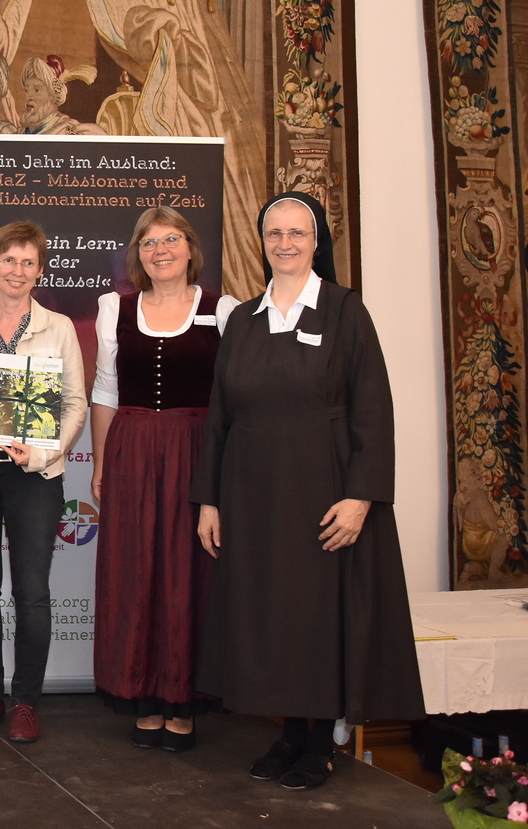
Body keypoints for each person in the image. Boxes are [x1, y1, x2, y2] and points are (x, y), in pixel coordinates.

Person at [193, 191, 424, 790]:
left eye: (297, 232)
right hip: (254, 497)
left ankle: (319, 743)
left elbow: (373, 410)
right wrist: (209, 500)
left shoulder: (345, 311)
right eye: (275, 233)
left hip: (325, 492)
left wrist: (361, 496)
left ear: (316, 241)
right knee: (272, 614)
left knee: (317, 617)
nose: (285, 243)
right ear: (261, 242)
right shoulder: (244, 318)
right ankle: (291, 734)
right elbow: (220, 415)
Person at [88, 207, 238, 751]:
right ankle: (142, 695)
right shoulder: (114, 308)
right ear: (138, 255)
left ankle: (183, 700)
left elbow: (232, 399)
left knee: (187, 573)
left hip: (194, 451)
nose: (161, 250)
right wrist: (100, 465)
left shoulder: (223, 310)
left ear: (190, 248)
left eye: (171, 239)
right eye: (149, 243)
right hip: (131, 450)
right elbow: (106, 389)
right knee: (135, 571)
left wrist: (223, 474)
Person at [0, 220, 87, 745]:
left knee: (31, 591)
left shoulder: (59, 327)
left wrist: (43, 453)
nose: (17, 270)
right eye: (9, 260)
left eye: (28, 262)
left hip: (34, 473)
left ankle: (27, 701)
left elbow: (74, 403)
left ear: (40, 271)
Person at [21, 55, 107, 136]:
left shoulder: (67, 130)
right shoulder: (21, 132)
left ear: (52, 96)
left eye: (37, 90)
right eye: (26, 90)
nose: (29, 96)